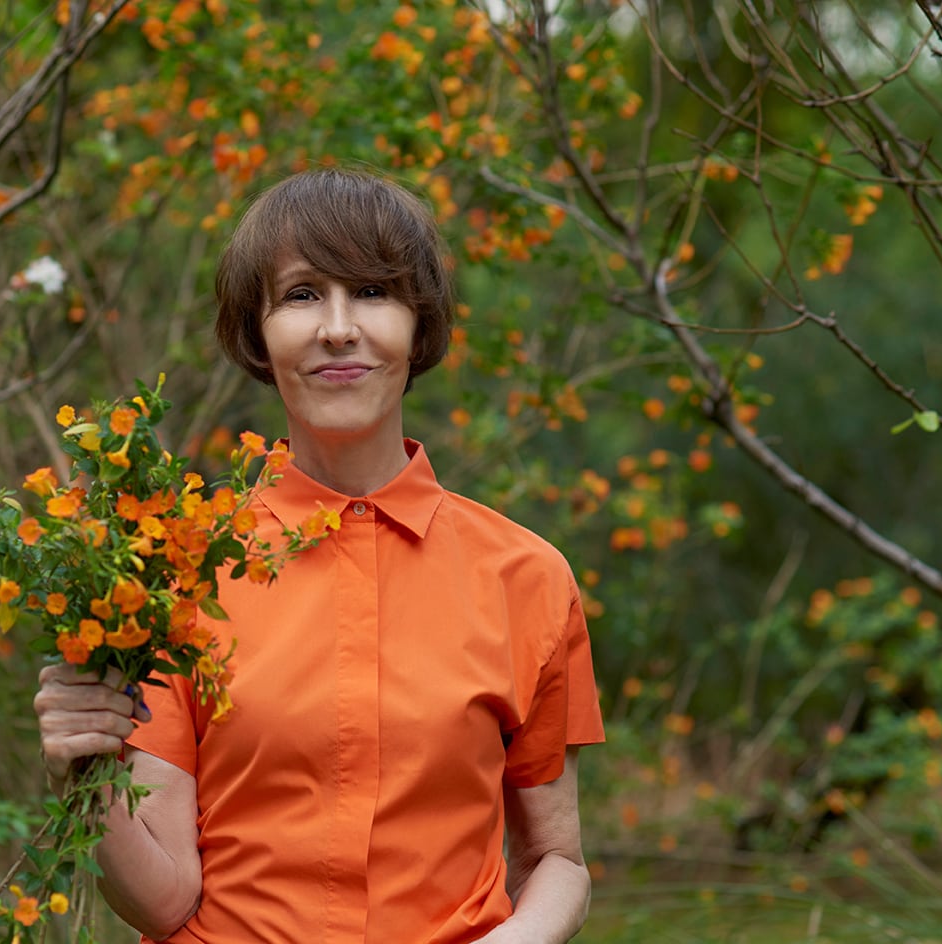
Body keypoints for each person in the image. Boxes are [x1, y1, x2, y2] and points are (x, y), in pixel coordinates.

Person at [33, 166, 604, 943]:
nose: (338, 327)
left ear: (420, 324)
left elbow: (556, 860)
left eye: (372, 291)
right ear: (258, 333)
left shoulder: (527, 577)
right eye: (302, 295)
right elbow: (163, 901)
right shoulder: (173, 575)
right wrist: (84, 773)